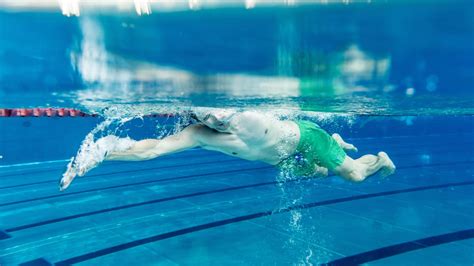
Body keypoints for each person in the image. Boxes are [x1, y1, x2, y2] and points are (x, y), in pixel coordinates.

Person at [59, 109, 395, 191]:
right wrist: (102, 153)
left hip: (307, 139)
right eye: (206, 116)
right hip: (284, 157)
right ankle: (337, 144)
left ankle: (379, 159)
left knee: (353, 176)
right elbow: (151, 151)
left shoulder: (248, 114)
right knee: (318, 173)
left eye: (219, 114)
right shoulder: (198, 133)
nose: (215, 119)